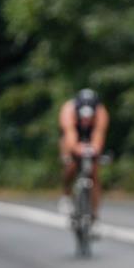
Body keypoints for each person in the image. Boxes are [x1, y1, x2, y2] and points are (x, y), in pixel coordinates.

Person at [58, 88, 109, 219]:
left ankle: (94, 214)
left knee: (94, 174)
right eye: (83, 117)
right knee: (70, 164)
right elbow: (70, 134)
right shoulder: (68, 110)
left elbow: (98, 134)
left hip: (90, 137)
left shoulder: (101, 113)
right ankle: (66, 195)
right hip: (74, 135)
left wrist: (94, 149)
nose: (86, 120)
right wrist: (75, 148)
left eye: (89, 117)